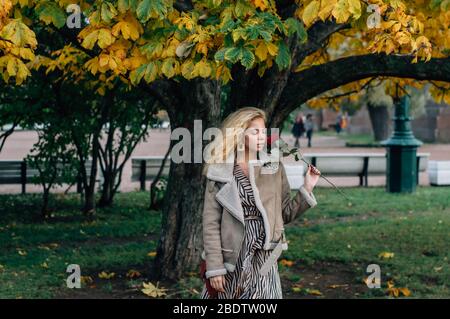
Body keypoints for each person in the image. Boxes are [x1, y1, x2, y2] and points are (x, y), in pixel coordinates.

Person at [200, 107, 320, 299]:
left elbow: (285, 213)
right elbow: (211, 224)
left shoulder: (273, 167)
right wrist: (215, 267)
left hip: (264, 255)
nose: (262, 136)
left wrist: (307, 187)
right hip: (231, 256)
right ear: (239, 134)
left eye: (264, 131)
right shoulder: (219, 172)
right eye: (255, 131)